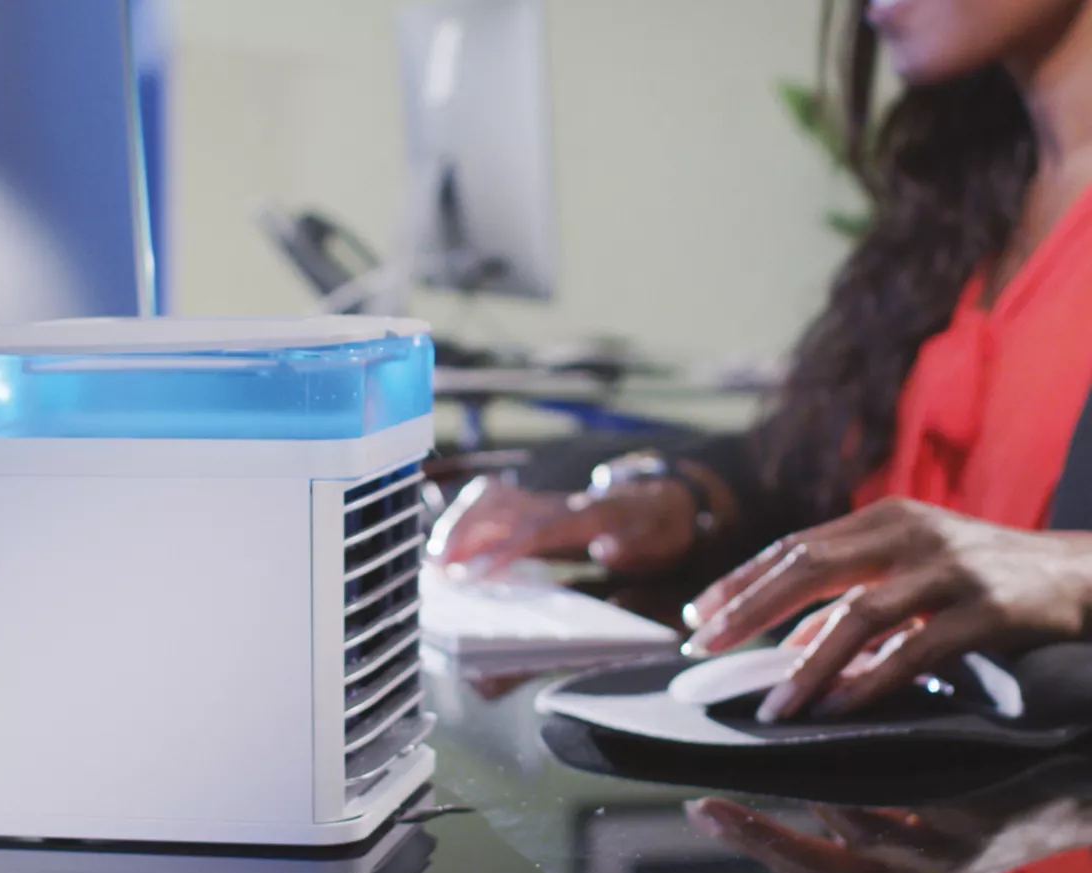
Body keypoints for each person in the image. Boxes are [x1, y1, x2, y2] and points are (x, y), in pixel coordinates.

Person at [430, 0, 1092, 724]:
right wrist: (683, 501)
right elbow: (825, 464)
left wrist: (1073, 570)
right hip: (889, 754)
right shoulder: (970, 197)